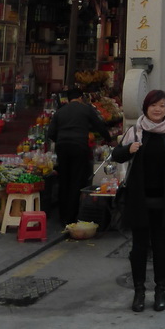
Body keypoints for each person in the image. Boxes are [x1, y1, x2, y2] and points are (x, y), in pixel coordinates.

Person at [111, 89, 165, 313]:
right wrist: (129, 148)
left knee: (161, 247)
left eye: (162, 106)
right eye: (153, 105)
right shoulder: (136, 131)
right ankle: (139, 292)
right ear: (146, 107)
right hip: (139, 200)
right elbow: (116, 155)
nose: (157, 109)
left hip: (164, 201)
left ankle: (160, 291)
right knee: (138, 248)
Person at [48, 86, 112, 226]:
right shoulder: (86, 109)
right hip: (79, 147)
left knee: (64, 179)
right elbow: (99, 126)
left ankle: (62, 215)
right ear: (81, 97)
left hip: (62, 147)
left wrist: (60, 139)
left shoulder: (60, 111)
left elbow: (51, 133)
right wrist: (109, 139)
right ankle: (72, 217)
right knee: (77, 180)